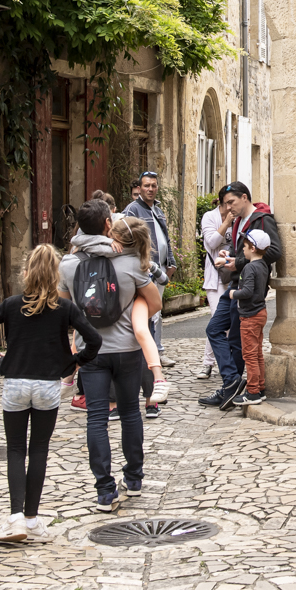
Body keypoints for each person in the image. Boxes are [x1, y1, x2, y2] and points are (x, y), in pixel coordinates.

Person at [0, 245, 101, 542]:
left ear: (25, 273)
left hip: (15, 382)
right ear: (55, 275)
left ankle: (15, 518)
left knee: (16, 450)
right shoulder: (64, 308)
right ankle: (32, 518)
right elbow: (93, 340)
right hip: (47, 386)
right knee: (38, 450)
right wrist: (73, 363)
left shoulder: (12, 304)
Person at [58, 198, 162, 512]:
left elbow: (65, 311)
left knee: (96, 420)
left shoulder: (67, 265)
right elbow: (155, 303)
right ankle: (133, 479)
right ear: (108, 225)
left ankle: (105, 491)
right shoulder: (131, 264)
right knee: (131, 413)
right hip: (128, 349)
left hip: (91, 352)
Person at [201, 182, 279, 409]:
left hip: (246, 292)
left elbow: (273, 251)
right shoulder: (238, 221)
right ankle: (232, 381)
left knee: (238, 342)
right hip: (234, 286)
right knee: (214, 329)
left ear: (244, 197)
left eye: (231, 202)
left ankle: (236, 387)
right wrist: (230, 255)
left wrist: (239, 261)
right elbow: (246, 252)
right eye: (225, 204)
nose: (227, 208)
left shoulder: (262, 219)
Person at [109, 217, 171, 406]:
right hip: (135, 305)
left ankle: (157, 384)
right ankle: (157, 382)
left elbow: (163, 280)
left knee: (142, 336)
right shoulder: (138, 259)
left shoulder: (138, 262)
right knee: (143, 338)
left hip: (136, 303)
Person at [124, 170, 176, 391]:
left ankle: (157, 350)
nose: (150, 189)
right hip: (147, 269)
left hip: (161, 268)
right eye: (146, 186)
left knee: (157, 313)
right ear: (140, 187)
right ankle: (149, 354)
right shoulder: (132, 210)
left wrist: (171, 261)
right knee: (149, 314)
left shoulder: (158, 209)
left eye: (154, 185)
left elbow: (165, 237)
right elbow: (128, 239)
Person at [229, 229, 273, 408]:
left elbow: (247, 291)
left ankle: (253, 391)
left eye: (245, 247)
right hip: (260, 312)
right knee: (257, 353)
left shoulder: (249, 267)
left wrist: (233, 293)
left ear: (253, 248)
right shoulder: (264, 265)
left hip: (250, 316)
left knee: (249, 355)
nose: (243, 250)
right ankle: (260, 388)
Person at [198, 187, 237, 380]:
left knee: (225, 322)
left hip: (231, 275)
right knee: (217, 320)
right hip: (215, 277)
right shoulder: (209, 217)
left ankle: (214, 362)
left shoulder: (238, 218)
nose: (232, 206)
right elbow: (212, 243)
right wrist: (227, 223)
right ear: (221, 202)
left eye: (234, 202)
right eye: (228, 202)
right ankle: (208, 363)